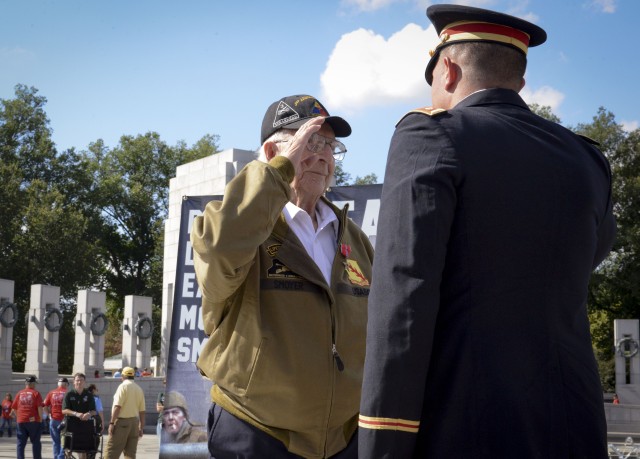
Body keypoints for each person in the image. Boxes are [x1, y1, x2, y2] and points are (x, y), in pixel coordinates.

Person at [358, 4, 616, 458]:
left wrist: (383, 443)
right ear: (519, 82)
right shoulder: (587, 159)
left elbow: (402, 298)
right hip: (575, 427)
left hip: (464, 427)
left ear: (448, 71)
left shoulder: (430, 135)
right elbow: (593, 249)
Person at [191, 94, 373, 459]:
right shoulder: (236, 224)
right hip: (257, 430)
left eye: (330, 146)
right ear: (274, 148)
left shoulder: (352, 237)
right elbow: (221, 248)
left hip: (341, 438)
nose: (323, 154)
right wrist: (277, 172)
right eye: (311, 141)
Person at [104, 366, 146, 459]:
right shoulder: (139, 389)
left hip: (122, 423)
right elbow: (142, 411)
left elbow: (118, 406)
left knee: (111, 451)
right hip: (134, 423)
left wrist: (111, 423)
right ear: (133, 376)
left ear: (122, 376)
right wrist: (141, 427)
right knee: (130, 454)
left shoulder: (123, 387)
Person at [62, 373, 97, 459]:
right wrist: (76, 413)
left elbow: (94, 411)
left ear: (85, 382)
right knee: (68, 449)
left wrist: (88, 414)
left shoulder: (88, 395)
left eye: (81, 380)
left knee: (83, 451)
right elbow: (64, 410)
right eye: (77, 380)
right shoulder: (69, 394)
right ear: (74, 382)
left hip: (84, 425)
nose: (79, 382)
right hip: (71, 424)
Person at [12, 376, 43, 459]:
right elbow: (40, 407)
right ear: (32, 384)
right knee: (36, 442)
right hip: (34, 421)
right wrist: (40, 418)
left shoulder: (19, 393)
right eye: (34, 384)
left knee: (20, 443)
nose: (35, 386)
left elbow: (14, 408)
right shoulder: (36, 393)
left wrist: (19, 417)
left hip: (21, 421)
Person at [43, 377, 68, 459]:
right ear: (65, 384)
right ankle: (60, 457)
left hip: (54, 420)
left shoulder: (51, 393)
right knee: (65, 442)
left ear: (58, 384)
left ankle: (56, 457)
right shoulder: (68, 393)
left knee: (55, 442)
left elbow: (44, 405)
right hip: (65, 421)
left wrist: (49, 415)